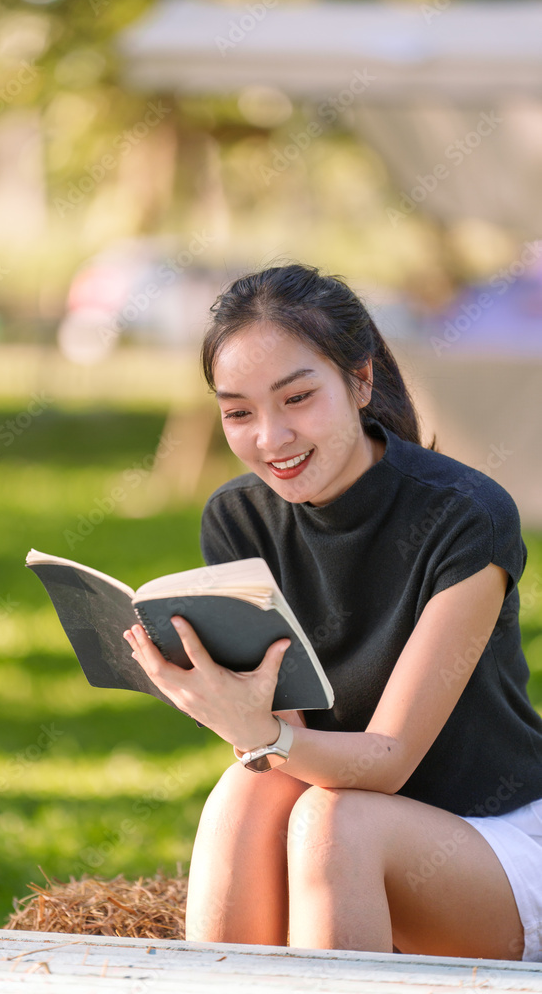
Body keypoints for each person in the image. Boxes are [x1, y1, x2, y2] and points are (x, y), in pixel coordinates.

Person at [123, 263, 542, 961]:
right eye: (238, 412)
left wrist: (257, 731)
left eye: (296, 398)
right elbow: (283, 739)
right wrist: (241, 716)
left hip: (493, 843)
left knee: (334, 819)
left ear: (360, 381)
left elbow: (387, 761)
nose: (270, 438)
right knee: (246, 794)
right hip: (344, 826)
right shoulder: (238, 520)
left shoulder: (465, 516)